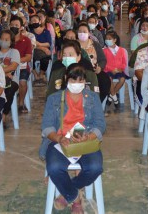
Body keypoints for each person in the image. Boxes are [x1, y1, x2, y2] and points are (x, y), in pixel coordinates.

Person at [41, 63, 106, 213]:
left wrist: (88, 136)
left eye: (80, 80)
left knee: (95, 167)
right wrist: (59, 138)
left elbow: (100, 124)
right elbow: (47, 127)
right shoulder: (54, 99)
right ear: (66, 79)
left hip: (85, 140)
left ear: (84, 81)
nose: (77, 84)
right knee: (54, 168)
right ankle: (76, 199)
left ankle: (68, 192)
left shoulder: (93, 98)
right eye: (73, 80)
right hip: (61, 140)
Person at [103, 31, 129, 107]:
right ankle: (115, 98)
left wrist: (120, 69)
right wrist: (111, 69)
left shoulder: (121, 50)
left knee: (122, 79)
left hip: (119, 70)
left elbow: (124, 62)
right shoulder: (104, 50)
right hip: (108, 71)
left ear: (115, 40)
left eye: (109, 39)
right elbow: (104, 63)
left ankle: (111, 96)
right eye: (106, 39)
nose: (107, 40)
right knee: (109, 79)